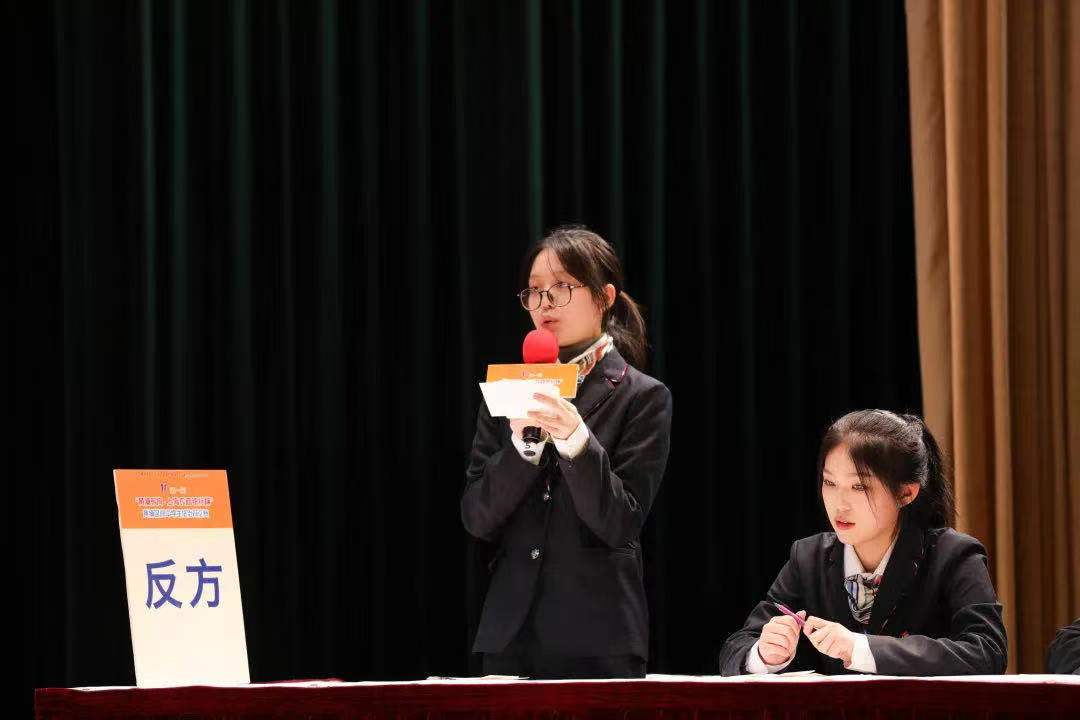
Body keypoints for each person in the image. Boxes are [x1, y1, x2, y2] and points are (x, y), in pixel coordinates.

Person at [461, 225, 672, 679]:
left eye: (562, 287)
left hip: (599, 636)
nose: (544, 304)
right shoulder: (507, 392)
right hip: (510, 635)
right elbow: (477, 517)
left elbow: (620, 521)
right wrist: (523, 449)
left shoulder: (642, 396)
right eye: (535, 291)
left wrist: (576, 439)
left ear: (604, 297)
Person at [719, 409, 1007, 675]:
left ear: (906, 493)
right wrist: (765, 654)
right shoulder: (808, 557)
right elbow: (736, 648)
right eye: (830, 483)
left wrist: (860, 648)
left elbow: (987, 651)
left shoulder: (953, 555)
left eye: (859, 486)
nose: (839, 504)